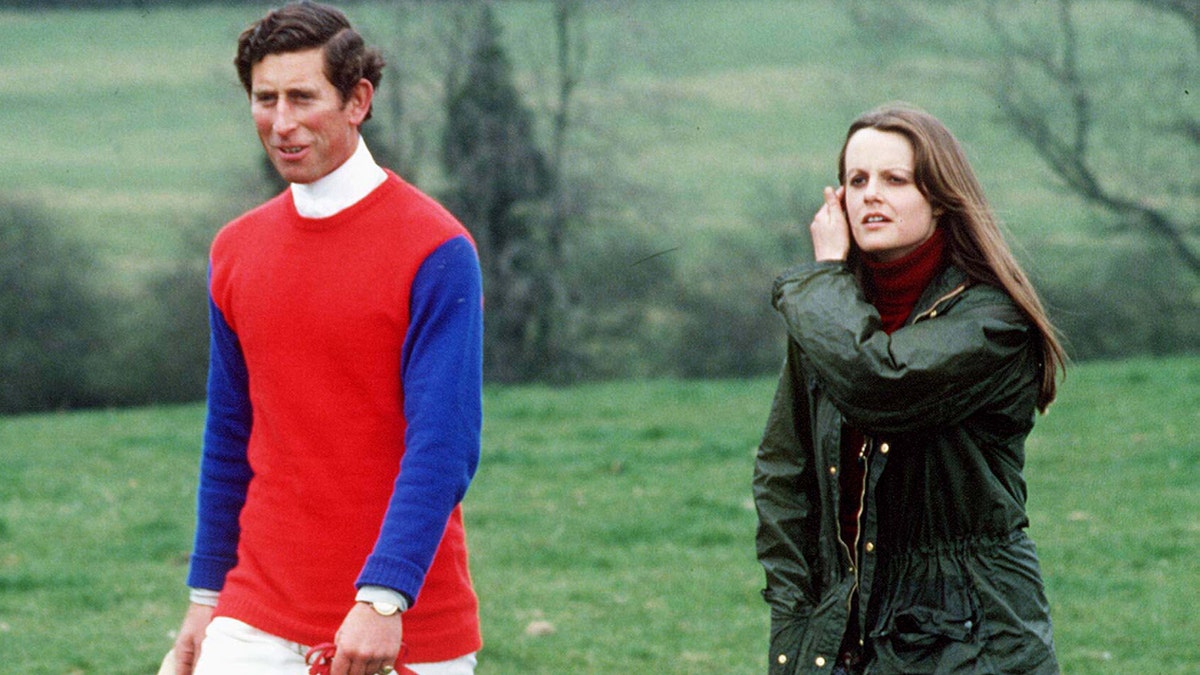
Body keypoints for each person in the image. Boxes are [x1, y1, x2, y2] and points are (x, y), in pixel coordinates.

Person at [171, 3, 483, 674]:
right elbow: (230, 436)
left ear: (357, 100)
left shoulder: (437, 249)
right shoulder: (235, 250)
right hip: (252, 614)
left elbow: (444, 444)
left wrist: (384, 596)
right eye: (265, 99)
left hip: (402, 624)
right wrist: (205, 596)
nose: (282, 124)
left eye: (303, 97)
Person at [753, 104, 1066, 674]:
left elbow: (881, 383)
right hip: (842, 631)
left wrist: (822, 280)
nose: (871, 194)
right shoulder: (831, 319)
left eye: (895, 180)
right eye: (856, 180)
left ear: (941, 196)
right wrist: (794, 613)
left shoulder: (992, 319)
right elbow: (783, 473)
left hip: (970, 637)